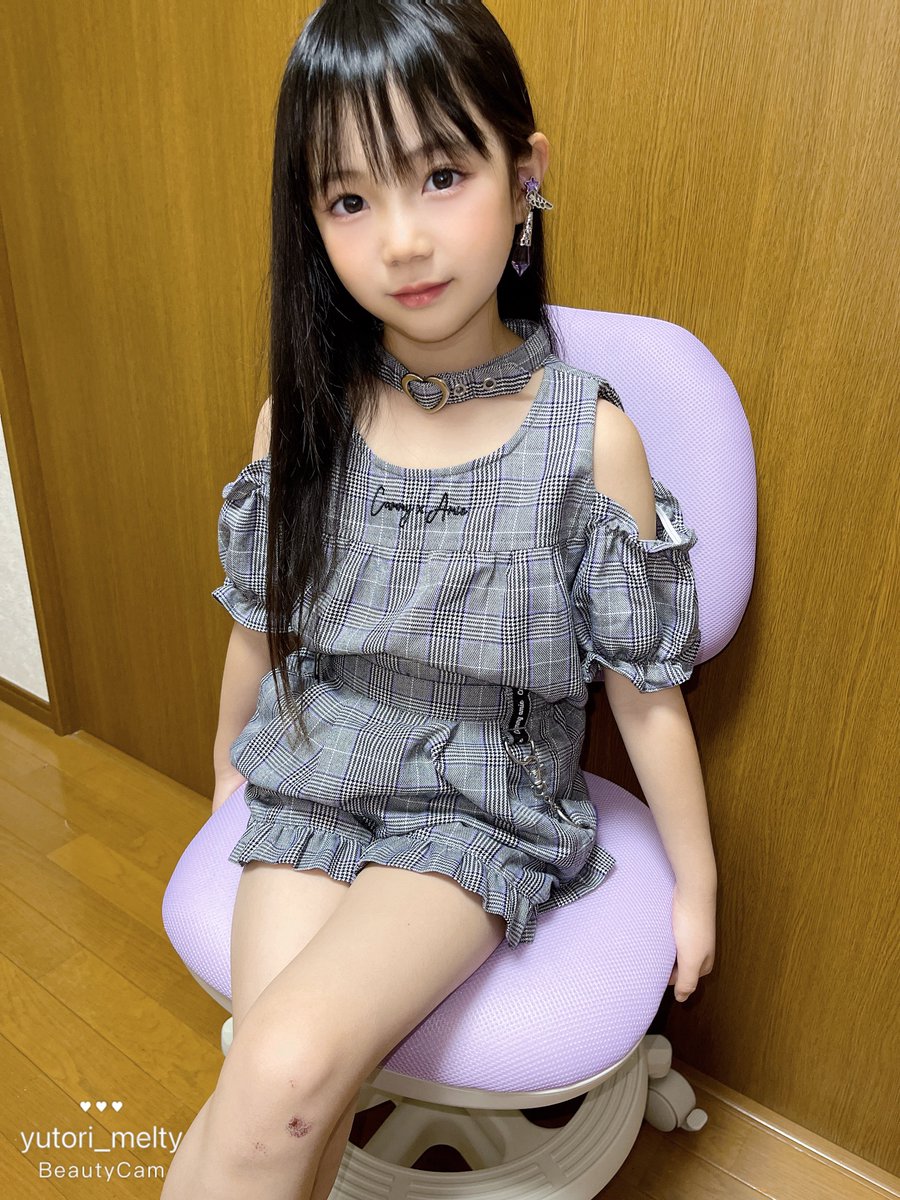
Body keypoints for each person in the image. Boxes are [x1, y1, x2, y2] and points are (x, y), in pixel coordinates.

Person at [162, 1, 717, 1196]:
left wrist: (699, 886)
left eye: (442, 176)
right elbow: (260, 624)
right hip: (317, 768)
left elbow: (646, 694)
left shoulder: (588, 439)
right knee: (276, 1094)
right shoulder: (302, 420)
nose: (403, 240)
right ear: (311, 220)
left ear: (526, 178)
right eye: (349, 199)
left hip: (480, 798)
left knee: (281, 1071)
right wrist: (224, 770)